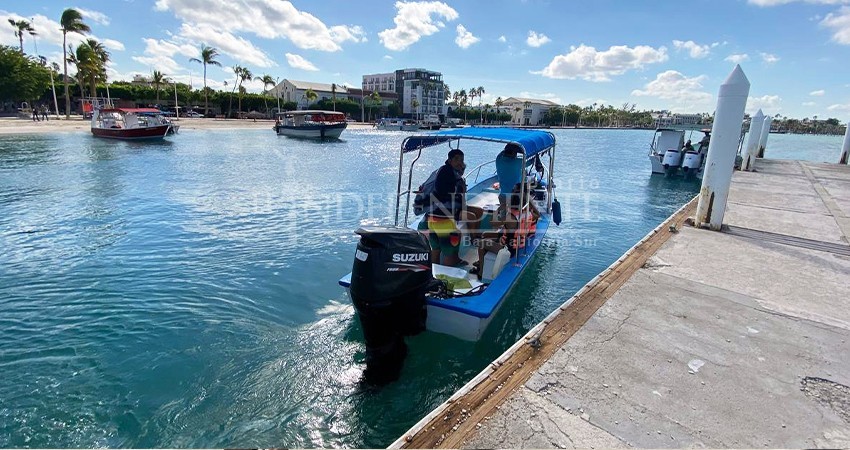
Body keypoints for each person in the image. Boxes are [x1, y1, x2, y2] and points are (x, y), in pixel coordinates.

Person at [421, 149, 482, 267]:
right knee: (449, 251)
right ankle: (447, 274)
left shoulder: (444, 171)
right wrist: (461, 189)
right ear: (450, 160)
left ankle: (435, 274)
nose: (461, 163)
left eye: (462, 161)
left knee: (436, 249)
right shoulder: (451, 175)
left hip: (433, 217)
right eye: (457, 160)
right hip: (443, 218)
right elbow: (452, 195)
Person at [495, 143, 523, 218]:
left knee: (503, 216)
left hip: (503, 195)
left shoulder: (499, 160)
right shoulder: (518, 162)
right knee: (514, 216)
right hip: (515, 196)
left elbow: (500, 154)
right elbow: (532, 161)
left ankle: (501, 226)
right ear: (514, 153)